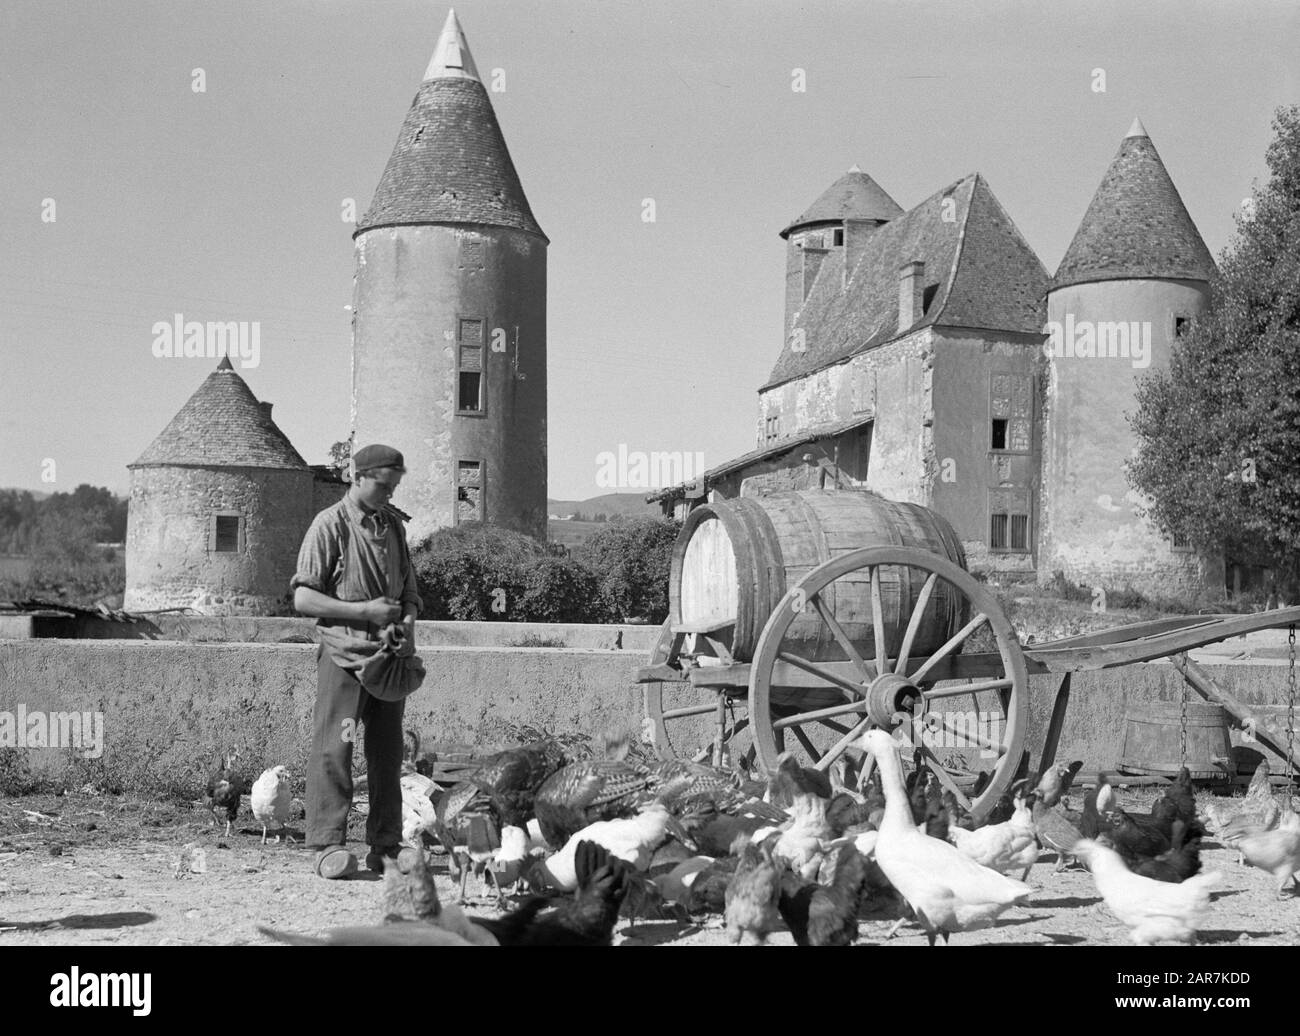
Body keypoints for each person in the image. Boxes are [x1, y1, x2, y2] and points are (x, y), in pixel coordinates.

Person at [291, 443, 423, 879]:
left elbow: (409, 594)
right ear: (358, 476)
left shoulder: (393, 529)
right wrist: (364, 612)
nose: (389, 493)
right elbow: (304, 597)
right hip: (343, 658)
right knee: (335, 748)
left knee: (387, 755)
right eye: (384, 485)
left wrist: (406, 625)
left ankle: (386, 846)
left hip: (388, 663)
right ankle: (327, 844)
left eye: (395, 486)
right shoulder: (328, 525)